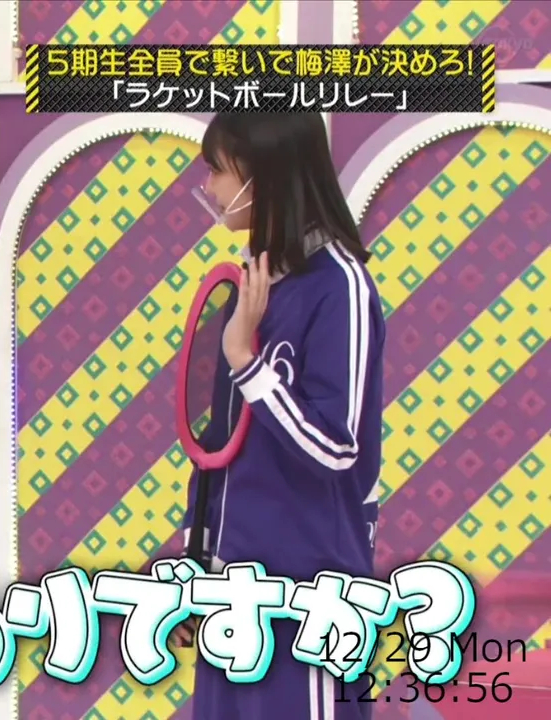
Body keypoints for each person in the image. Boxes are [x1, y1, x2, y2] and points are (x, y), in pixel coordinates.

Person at [181, 113, 385, 720]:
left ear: (264, 174)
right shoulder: (253, 283)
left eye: (218, 170)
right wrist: (196, 562)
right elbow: (220, 444)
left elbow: (335, 448)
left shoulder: (340, 288)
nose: (210, 187)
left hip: (309, 596)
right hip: (233, 594)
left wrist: (247, 363)